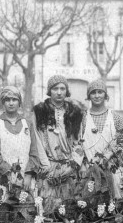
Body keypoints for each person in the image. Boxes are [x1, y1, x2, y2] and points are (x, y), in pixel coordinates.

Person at [28, 76, 83, 211]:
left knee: (70, 210)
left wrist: (73, 165)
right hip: (47, 167)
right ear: (49, 91)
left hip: (69, 166)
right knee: (48, 210)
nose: (59, 92)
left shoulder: (75, 112)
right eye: (55, 88)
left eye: (62, 88)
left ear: (66, 91)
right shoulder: (39, 111)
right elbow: (35, 139)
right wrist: (46, 165)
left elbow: (79, 140)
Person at [79, 78, 123, 198]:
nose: (97, 96)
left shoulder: (115, 117)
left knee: (115, 202)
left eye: (100, 92)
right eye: (93, 92)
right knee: (92, 205)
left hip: (112, 168)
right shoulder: (83, 117)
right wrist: (83, 163)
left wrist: (111, 158)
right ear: (89, 96)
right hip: (90, 170)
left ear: (105, 95)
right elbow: (78, 143)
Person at [0, 86, 34, 201]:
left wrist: (28, 175)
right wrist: (10, 175)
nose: (11, 103)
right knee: (4, 210)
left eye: (14, 99)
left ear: (19, 102)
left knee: (27, 209)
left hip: (26, 179)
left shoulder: (28, 123)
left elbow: (34, 152)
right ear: (3, 102)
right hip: (5, 178)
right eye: (7, 100)